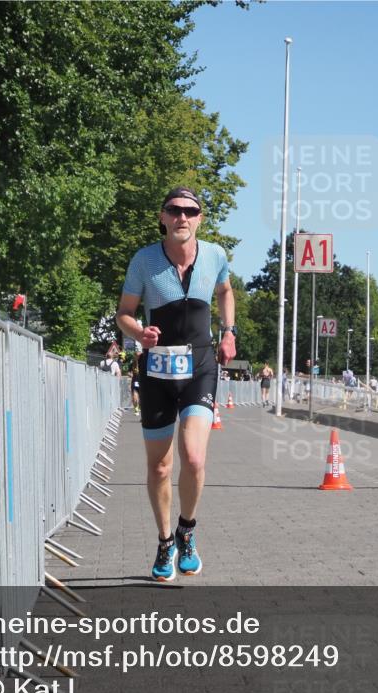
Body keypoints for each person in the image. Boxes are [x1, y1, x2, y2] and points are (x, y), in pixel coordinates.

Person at [115, 187, 236, 582]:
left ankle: (187, 530)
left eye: (190, 211)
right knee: (160, 466)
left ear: (200, 218)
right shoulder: (144, 260)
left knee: (194, 458)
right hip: (157, 371)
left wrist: (229, 331)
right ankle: (165, 541)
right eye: (174, 210)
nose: (182, 217)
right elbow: (124, 313)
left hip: (200, 366)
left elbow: (225, 290)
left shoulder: (215, 255)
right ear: (163, 217)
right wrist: (139, 333)